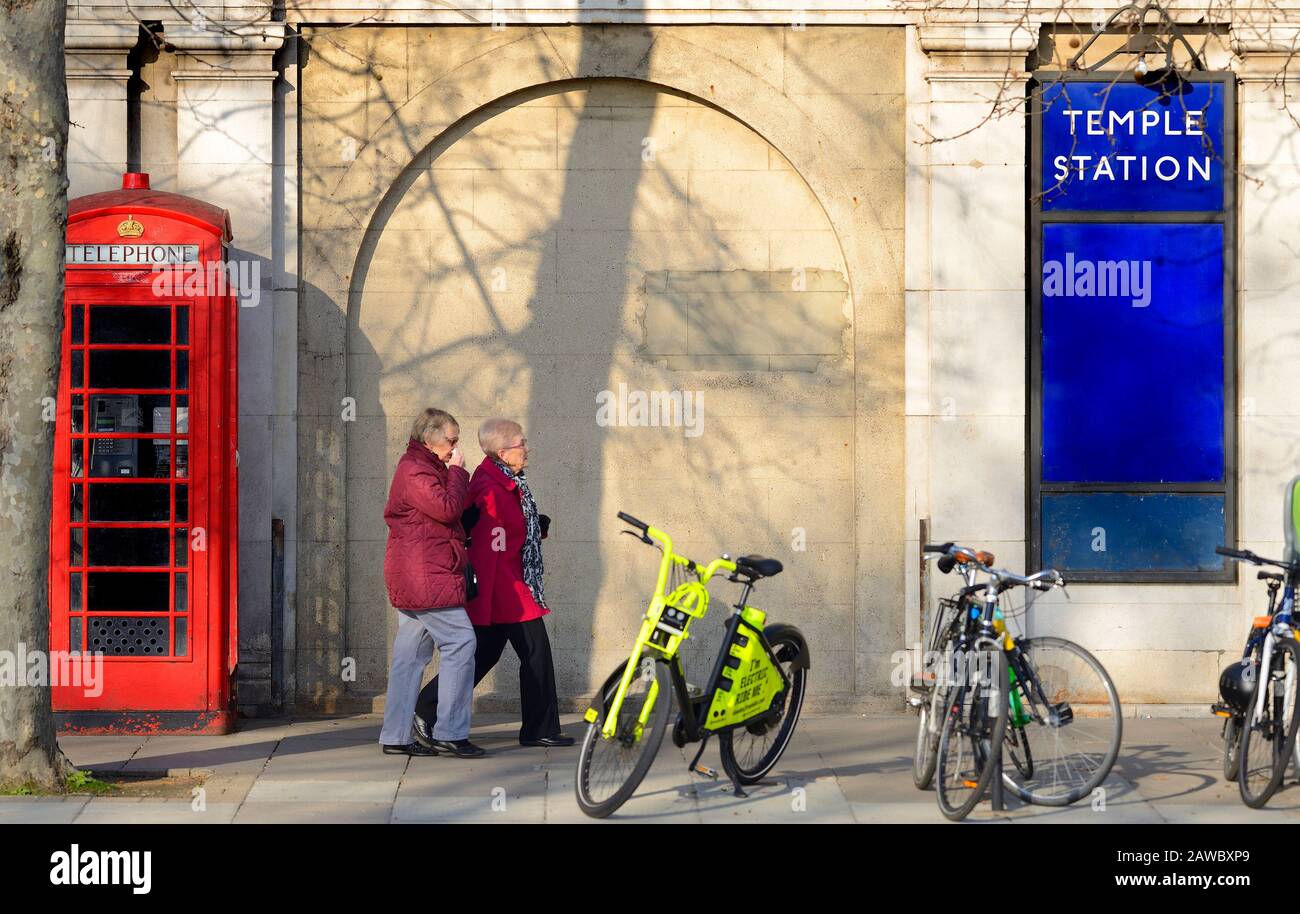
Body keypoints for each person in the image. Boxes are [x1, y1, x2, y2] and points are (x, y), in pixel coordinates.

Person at [414, 418, 573, 748]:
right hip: (506, 589)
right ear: (502, 452)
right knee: (536, 653)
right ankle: (539, 729)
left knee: (483, 655)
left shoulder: (505, 480)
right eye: (521, 444)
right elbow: (491, 547)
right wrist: (500, 595)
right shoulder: (491, 488)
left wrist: (533, 528)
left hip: (504, 588)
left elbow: (507, 532)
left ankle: (426, 709)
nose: (526, 449)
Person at [377, 408, 486, 759]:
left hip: (419, 575)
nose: (456, 447)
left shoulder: (423, 466)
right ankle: (450, 732)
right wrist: (457, 471)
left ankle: (395, 736)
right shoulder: (416, 469)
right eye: (451, 440)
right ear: (430, 439)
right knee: (461, 642)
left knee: (409, 657)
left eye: (456, 441)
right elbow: (447, 508)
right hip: (426, 576)